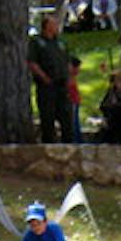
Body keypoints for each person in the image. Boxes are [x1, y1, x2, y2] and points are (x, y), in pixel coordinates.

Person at [28, 13, 73, 144]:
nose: (56, 27)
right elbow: (32, 62)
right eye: (54, 24)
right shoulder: (36, 42)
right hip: (47, 86)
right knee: (48, 117)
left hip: (62, 84)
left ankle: (68, 144)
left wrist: (69, 77)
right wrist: (44, 77)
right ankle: (48, 143)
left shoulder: (60, 42)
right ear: (46, 26)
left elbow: (68, 60)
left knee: (66, 116)